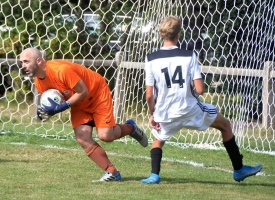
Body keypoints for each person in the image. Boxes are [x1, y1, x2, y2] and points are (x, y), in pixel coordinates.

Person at [141, 16, 262, 184]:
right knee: (225, 124)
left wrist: (152, 114)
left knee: (158, 140)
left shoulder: (151, 59)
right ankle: (239, 169)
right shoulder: (189, 55)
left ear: (161, 34)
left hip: (165, 112)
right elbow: (200, 90)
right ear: (179, 33)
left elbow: (149, 95)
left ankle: (154, 175)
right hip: (190, 108)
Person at [19, 47, 148, 182]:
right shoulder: (39, 83)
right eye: (22, 62)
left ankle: (130, 128)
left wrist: (61, 108)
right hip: (79, 103)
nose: (23, 66)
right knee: (82, 137)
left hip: (96, 93)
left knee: (106, 136)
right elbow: (58, 102)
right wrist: (46, 113)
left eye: (26, 61)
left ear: (39, 60)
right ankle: (112, 172)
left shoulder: (61, 70)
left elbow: (83, 92)